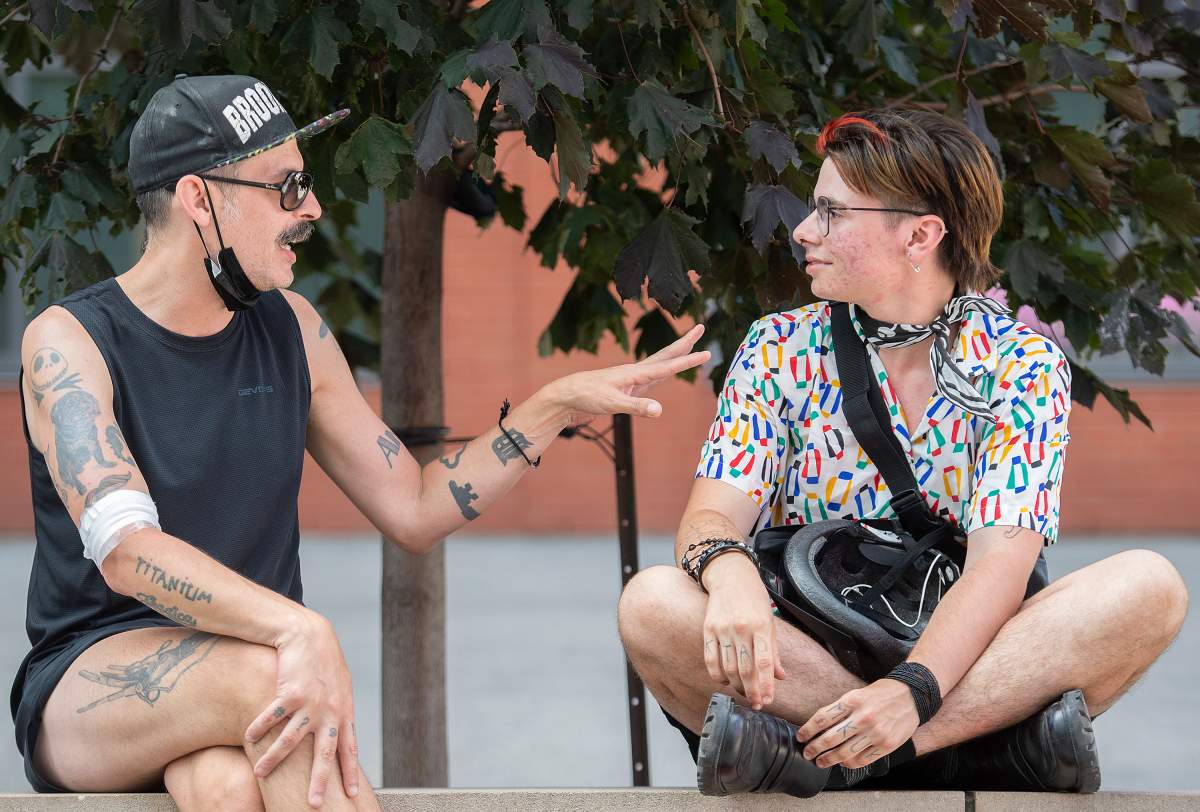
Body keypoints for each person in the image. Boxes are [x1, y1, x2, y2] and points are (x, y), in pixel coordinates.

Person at [11, 74, 710, 811]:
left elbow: (412, 507)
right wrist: (298, 627)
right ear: (198, 199)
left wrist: (551, 405)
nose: (310, 207)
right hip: (92, 686)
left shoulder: (292, 329)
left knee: (223, 787)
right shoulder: (70, 340)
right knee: (271, 678)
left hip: (253, 679)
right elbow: (126, 551)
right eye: (285, 187)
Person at [617, 109, 1189, 796]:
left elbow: (999, 572)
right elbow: (711, 516)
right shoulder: (777, 348)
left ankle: (851, 754)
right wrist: (729, 570)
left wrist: (912, 694)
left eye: (831, 212)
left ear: (919, 234)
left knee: (1150, 588)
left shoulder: (1021, 363)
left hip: (960, 658)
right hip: (814, 642)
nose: (803, 231)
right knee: (652, 602)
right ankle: (977, 752)